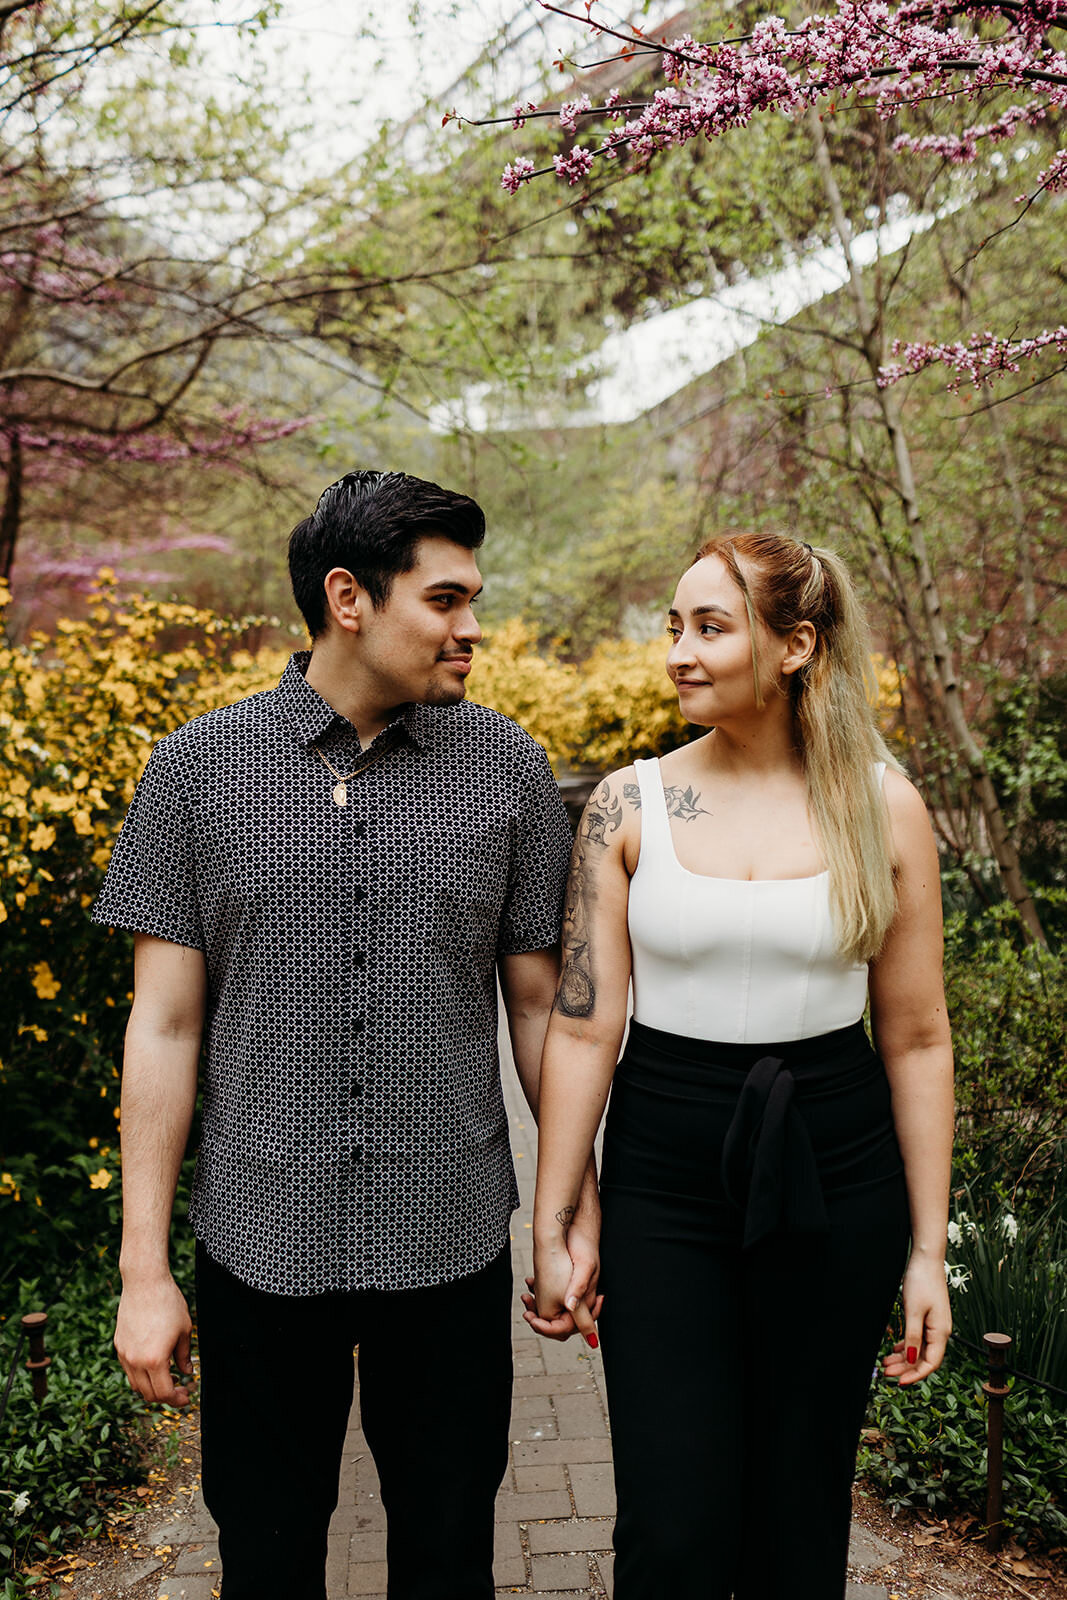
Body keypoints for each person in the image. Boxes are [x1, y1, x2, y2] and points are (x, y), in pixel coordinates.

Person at [91, 469, 598, 1600]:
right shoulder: (195, 769)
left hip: (450, 1240)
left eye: (472, 599)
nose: (472, 628)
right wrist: (143, 1270)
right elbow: (164, 1027)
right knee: (266, 1562)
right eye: (446, 599)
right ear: (348, 597)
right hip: (259, 1244)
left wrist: (570, 1206)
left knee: (448, 1553)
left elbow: (539, 1007)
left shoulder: (506, 765)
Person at [525, 532, 954, 1599]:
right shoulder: (626, 807)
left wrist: (925, 1250)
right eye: (672, 625)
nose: (676, 650)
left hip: (834, 1168)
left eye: (709, 626)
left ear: (796, 644)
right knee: (670, 1527)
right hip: (666, 1175)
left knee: (796, 1515)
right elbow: (581, 1028)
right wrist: (557, 1218)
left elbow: (913, 1035)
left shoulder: (882, 805)